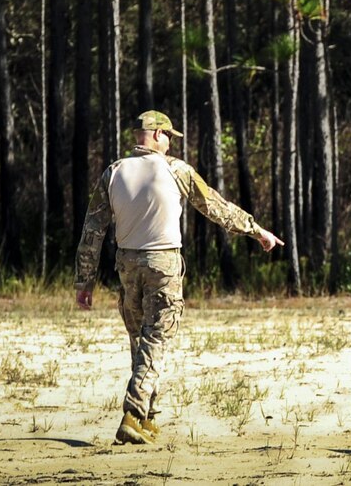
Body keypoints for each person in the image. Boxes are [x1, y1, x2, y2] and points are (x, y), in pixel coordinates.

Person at [73, 110, 282, 445]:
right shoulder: (176, 169)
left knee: (140, 342)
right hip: (163, 264)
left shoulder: (113, 172)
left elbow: (92, 230)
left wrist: (84, 281)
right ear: (156, 134)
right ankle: (133, 411)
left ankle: (146, 418)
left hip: (126, 265)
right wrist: (257, 231)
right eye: (169, 136)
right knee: (155, 339)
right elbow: (215, 206)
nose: (170, 142)